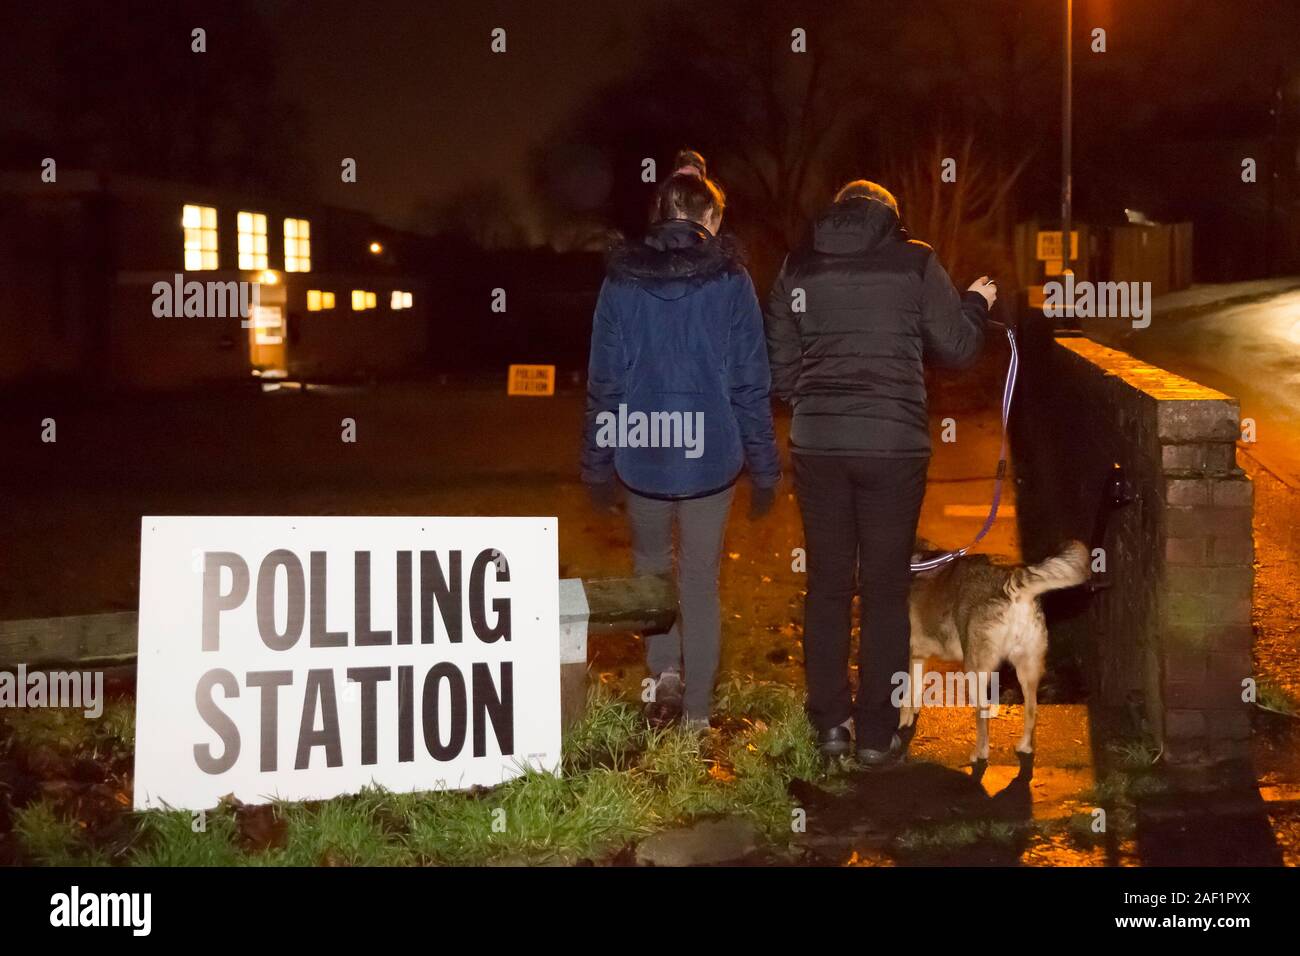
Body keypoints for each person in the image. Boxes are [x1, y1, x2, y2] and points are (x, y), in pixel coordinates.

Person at [764, 180, 997, 763]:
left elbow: (781, 361)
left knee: (827, 586)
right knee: (887, 591)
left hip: (819, 445)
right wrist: (976, 302)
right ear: (891, 216)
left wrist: (815, 404)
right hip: (893, 446)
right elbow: (959, 347)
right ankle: (875, 735)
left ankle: (829, 728)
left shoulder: (798, 266)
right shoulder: (914, 262)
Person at [581, 160, 781, 732]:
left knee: (651, 569)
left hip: (640, 457)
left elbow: (606, 383)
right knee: (698, 580)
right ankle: (695, 718)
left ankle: (663, 677)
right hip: (709, 462)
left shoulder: (621, 281)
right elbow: (750, 383)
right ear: (708, 216)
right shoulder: (732, 280)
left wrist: (596, 465)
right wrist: (765, 470)